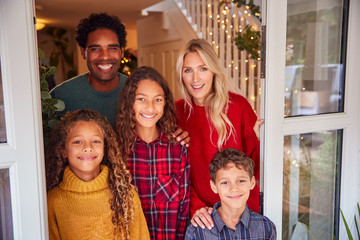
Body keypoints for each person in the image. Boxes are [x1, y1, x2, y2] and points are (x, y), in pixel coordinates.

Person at [50, 12, 190, 144]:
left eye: (112, 48)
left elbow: (161, 127)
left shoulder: (139, 90)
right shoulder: (61, 96)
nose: (105, 56)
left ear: (122, 51)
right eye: (95, 49)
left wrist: (178, 135)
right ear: (83, 52)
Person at [175, 38, 262, 229]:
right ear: (181, 74)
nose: (195, 78)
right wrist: (195, 206)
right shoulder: (176, 113)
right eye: (188, 70)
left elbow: (255, 166)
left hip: (240, 214)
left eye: (203, 68)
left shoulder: (238, 106)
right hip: (201, 218)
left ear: (214, 71)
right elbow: (176, 173)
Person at [45, 109, 150, 240]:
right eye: (77, 141)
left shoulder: (125, 195)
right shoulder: (53, 202)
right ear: (63, 151)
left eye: (96, 141)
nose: (88, 147)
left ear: (105, 148)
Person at [115, 66, 190, 240]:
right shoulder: (117, 149)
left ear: (165, 103)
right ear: (129, 102)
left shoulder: (177, 149)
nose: (150, 108)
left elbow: (184, 209)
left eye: (157, 100)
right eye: (141, 99)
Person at [185, 148, 276, 239]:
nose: (234, 189)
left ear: (252, 183)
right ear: (214, 187)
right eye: (225, 182)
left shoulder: (266, 228)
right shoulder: (197, 231)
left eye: (241, 181)